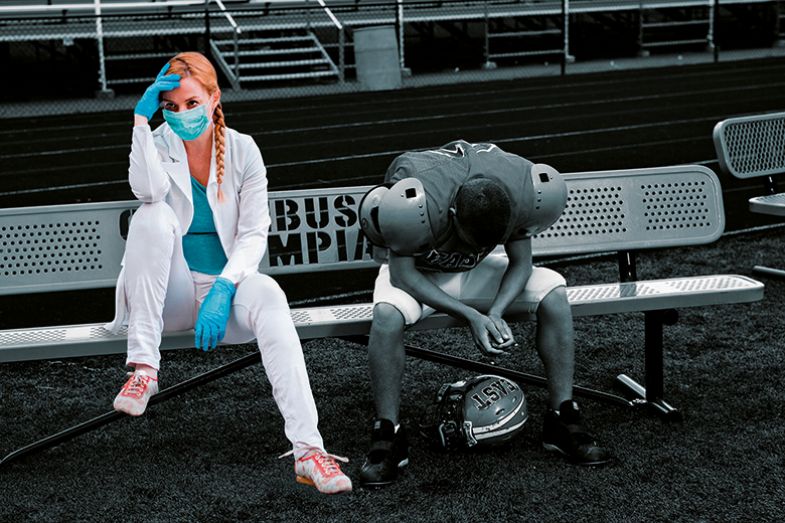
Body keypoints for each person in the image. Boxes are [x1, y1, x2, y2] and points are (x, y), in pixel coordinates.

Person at [104, 52, 351, 495]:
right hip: (170, 300)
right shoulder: (157, 141)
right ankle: (144, 369)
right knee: (151, 215)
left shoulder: (243, 149)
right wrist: (141, 122)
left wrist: (224, 286)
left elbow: (254, 233)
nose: (181, 114)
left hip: (226, 298)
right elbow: (147, 190)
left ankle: (309, 451)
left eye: (191, 103)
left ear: (214, 98)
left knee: (270, 293)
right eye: (170, 107)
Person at [357, 140, 611, 488]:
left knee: (554, 292)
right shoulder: (416, 193)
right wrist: (471, 316)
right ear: (452, 214)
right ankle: (388, 433)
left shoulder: (520, 187)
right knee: (387, 316)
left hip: (476, 272)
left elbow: (521, 263)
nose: (473, 249)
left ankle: (562, 416)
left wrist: (496, 311)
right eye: (468, 239)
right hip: (421, 274)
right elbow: (402, 276)